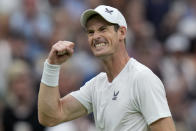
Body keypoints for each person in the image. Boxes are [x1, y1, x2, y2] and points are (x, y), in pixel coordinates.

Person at [38, 5, 176, 131]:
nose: (96, 36)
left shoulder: (142, 78)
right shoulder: (96, 85)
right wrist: (52, 66)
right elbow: (50, 117)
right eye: (91, 32)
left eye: (103, 29)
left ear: (122, 32)